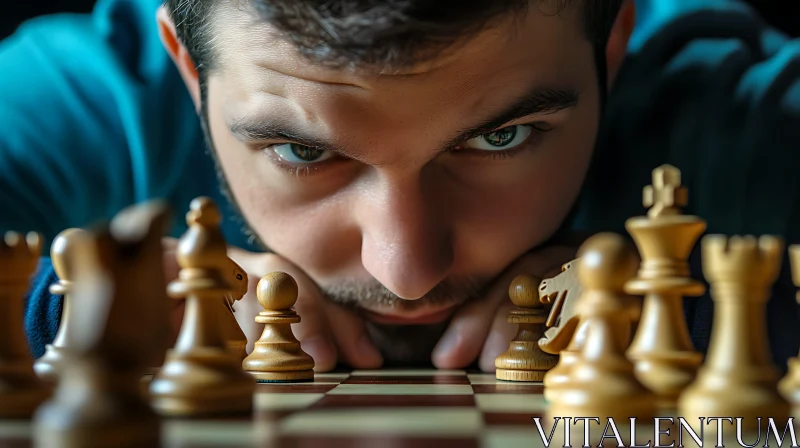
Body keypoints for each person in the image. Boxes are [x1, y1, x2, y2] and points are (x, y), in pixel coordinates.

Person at [3, 0, 800, 373]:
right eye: (303, 152)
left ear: (612, 46)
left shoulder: (742, 116)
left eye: (502, 136)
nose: (404, 269)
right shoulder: (79, 99)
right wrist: (80, 305)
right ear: (188, 67)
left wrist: (730, 313)